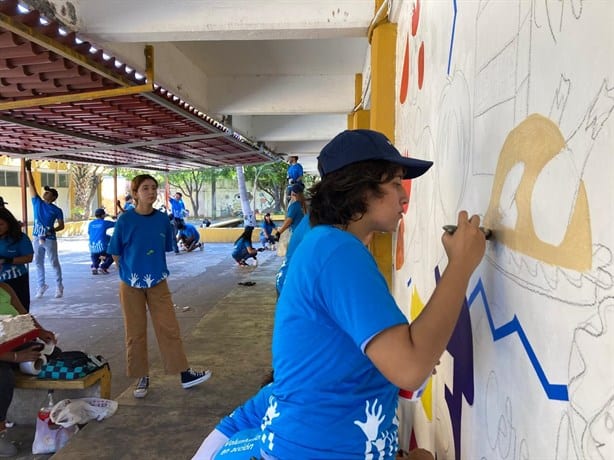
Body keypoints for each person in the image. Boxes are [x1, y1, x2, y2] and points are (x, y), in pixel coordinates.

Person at [260, 129, 486, 458]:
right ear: (361, 189)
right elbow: (411, 369)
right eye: (395, 183)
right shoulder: (337, 252)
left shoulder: (326, 244)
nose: (404, 197)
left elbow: (381, 356)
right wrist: (461, 265)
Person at [108, 174, 212, 399]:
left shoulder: (163, 220)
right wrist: (127, 273)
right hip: (130, 284)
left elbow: (165, 247)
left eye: (154, 188)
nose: (151, 192)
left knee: (169, 328)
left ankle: (184, 374)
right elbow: (115, 250)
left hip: (158, 282)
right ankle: (141, 376)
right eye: (145, 188)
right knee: (135, 332)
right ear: (135, 193)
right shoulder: (125, 220)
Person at [0, 282, 56, 457]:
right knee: (4, 378)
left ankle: (55, 414)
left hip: (13, 344)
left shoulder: (5, 288)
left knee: (53, 355)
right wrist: (16, 357)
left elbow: (25, 315)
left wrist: (40, 331)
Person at [25, 160, 65, 299]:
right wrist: (28, 170)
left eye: (47, 192)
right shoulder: (37, 202)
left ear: (53, 197)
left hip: (49, 239)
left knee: (54, 262)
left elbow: (61, 225)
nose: (45, 193)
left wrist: (52, 230)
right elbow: (31, 185)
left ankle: (59, 286)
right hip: (37, 237)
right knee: (38, 262)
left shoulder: (57, 210)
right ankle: (42, 285)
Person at [0, 208, 34, 312]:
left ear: (9, 223)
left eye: (1, 224)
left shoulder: (20, 238)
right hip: (1, 281)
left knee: (20, 311)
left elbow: (29, 257)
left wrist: (7, 260)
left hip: (16, 280)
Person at [88, 208, 115, 275]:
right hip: (102, 247)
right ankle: (103, 267)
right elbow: (116, 224)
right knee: (113, 255)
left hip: (92, 247)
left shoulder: (91, 223)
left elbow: (89, 233)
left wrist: (107, 237)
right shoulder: (104, 223)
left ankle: (94, 267)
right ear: (103, 215)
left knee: (95, 255)